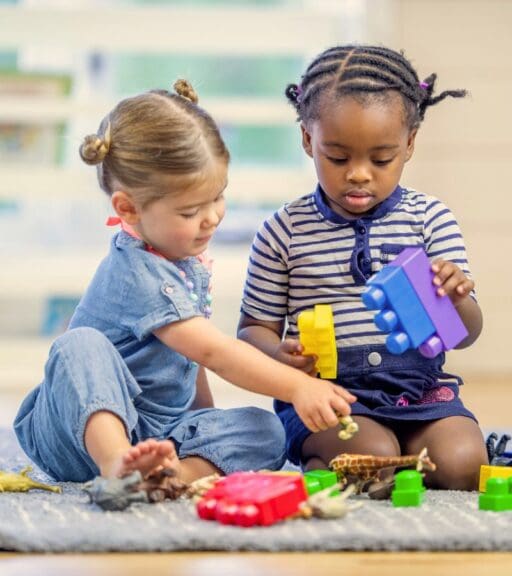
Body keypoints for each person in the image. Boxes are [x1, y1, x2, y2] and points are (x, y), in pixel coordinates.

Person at [14, 80, 356, 484]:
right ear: (128, 208)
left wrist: (205, 426)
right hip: (76, 432)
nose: (212, 217)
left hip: (157, 432)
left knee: (269, 431)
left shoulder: (183, 261)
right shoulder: (136, 271)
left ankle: (171, 473)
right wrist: (297, 386)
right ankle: (117, 465)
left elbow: (190, 361)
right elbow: (214, 352)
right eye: (192, 209)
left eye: (218, 197)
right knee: (78, 344)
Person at [237, 45, 488, 490]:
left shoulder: (430, 218)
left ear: (409, 144)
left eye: (380, 159)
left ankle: (398, 458)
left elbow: (465, 334)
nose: (358, 174)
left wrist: (456, 298)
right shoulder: (283, 230)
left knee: (464, 462)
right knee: (373, 457)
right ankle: (340, 457)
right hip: (329, 396)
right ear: (307, 140)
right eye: (338, 158)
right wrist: (280, 357)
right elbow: (252, 331)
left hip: (422, 389)